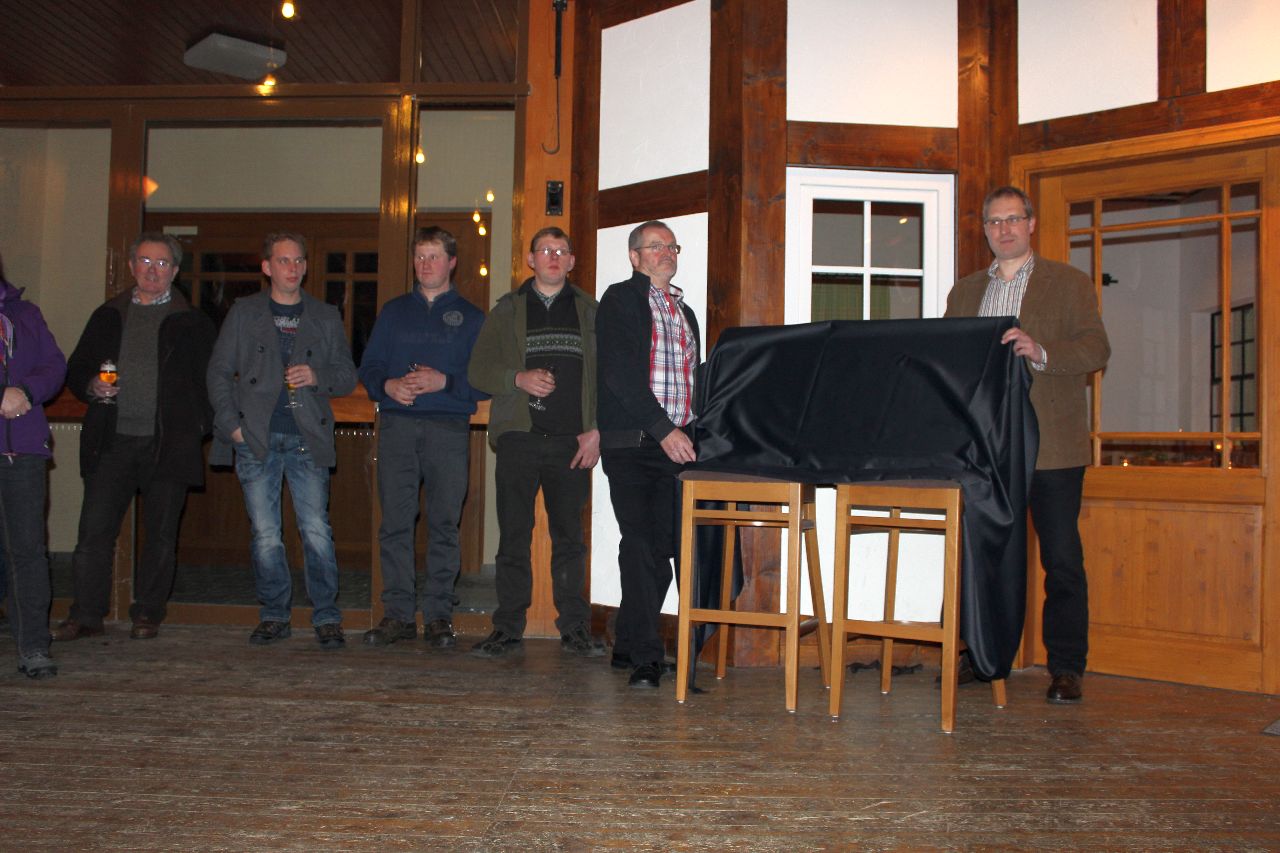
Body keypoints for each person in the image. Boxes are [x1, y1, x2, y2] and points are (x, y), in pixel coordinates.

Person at [946, 186, 1110, 704]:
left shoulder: (1069, 282)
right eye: (994, 222)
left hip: (1054, 446)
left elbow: (1096, 349)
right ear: (985, 229)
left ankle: (1067, 667)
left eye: (1013, 219)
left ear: (1031, 224)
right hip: (986, 450)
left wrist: (1039, 350)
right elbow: (951, 363)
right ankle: (983, 656)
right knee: (985, 558)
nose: (1004, 230)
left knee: (1061, 560)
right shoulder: (965, 292)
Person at [53, 232, 216, 642]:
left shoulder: (192, 322)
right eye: (144, 261)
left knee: (160, 537)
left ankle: (147, 613)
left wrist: (197, 427)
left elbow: (211, 383)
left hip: (168, 444)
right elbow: (76, 368)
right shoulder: (108, 315)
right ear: (131, 267)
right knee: (93, 535)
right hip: (112, 441)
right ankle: (86, 615)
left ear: (175, 271)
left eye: (162, 263)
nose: (152, 270)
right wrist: (91, 385)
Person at [207, 233, 357, 649]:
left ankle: (326, 616)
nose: (292, 268)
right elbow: (218, 372)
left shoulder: (325, 315)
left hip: (307, 436)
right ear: (267, 267)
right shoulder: (244, 312)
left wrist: (317, 376)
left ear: (305, 267)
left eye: (298, 261)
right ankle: (274, 614)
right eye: (284, 260)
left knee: (316, 530)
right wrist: (232, 426)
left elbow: (347, 375)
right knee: (266, 533)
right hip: (255, 437)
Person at [467, 227, 604, 659]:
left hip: (572, 443)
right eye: (545, 250)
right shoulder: (507, 310)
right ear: (530, 259)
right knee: (513, 537)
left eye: (561, 250)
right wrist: (517, 379)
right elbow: (477, 371)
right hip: (519, 440)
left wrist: (597, 429)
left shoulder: (590, 311)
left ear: (572, 261)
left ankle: (575, 629)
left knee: (570, 541)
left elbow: (608, 376)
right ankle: (507, 628)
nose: (553, 256)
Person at [358, 226, 486, 649]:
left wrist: (444, 381)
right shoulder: (393, 312)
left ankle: (438, 616)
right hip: (397, 425)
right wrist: (387, 386)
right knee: (395, 522)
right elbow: (369, 367)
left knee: (445, 523)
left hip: (448, 429)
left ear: (452, 262)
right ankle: (396, 614)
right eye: (419, 257)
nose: (425, 264)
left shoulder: (472, 318)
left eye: (434, 256)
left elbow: (485, 380)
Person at [597, 220, 700, 689]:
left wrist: (694, 434)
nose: (666, 253)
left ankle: (626, 641)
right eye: (655, 246)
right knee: (639, 542)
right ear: (635, 257)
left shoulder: (686, 312)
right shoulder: (620, 300)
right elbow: (619, 374)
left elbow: (693, 384)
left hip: (677, 447)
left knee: (663, 549)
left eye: (672, 246)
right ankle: (646, 657)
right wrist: (663, 430)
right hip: (634, 444)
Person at [0, 260, 67, 677]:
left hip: (22, 450)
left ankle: (34, 647)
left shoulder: (25, 314)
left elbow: (55, 366)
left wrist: (24, 390)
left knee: (27, 550)